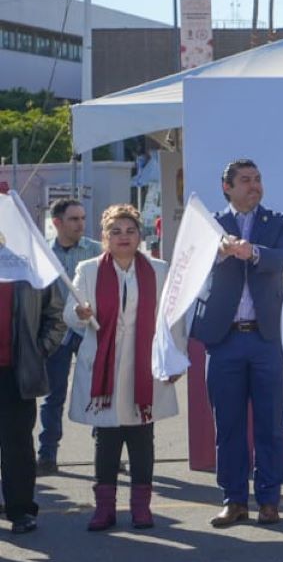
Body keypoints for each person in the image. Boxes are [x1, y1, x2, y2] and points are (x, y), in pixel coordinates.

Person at [191, 159, 283, 527]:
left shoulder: (280, 223)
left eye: (257, 179)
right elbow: (188, 268)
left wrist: (249, 251)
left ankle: (269, 500)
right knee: (230, 426)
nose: (254, 186)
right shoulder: (209, 226)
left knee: (270, 425)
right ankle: (234, 499)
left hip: (267, 339)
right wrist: (218, 252)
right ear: (227, 187)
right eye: (245, 181)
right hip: (225, 341)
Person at [65, 204, 185, 531]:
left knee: (142, 437)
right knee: (107, 438)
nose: (123, 237)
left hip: (145, 365)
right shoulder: (89, 270)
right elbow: (68, 314)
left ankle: (141, 508)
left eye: (130, 231)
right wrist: (81, 313)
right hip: (105, 366)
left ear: (140, 236)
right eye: (115, 231)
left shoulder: (159, 270)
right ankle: (104, 508)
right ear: (105, 236)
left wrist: (176, 359)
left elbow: (172, 319)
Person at [0, 260, 69, 534]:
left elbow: (57, 315)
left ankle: (21, 511)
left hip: (16, 373)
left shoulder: (29, 266)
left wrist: (38, 351)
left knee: (17, 446)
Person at [36, 197, 100, 472]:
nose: (81, 224)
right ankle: (48, 453)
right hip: (57, 335)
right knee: (53, 396)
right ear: (57, 223)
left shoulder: (98, 252)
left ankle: (105, 450)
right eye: (74, 219)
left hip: (91, 330)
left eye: (83, 218)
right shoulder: (42, 255)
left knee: (100, 393)